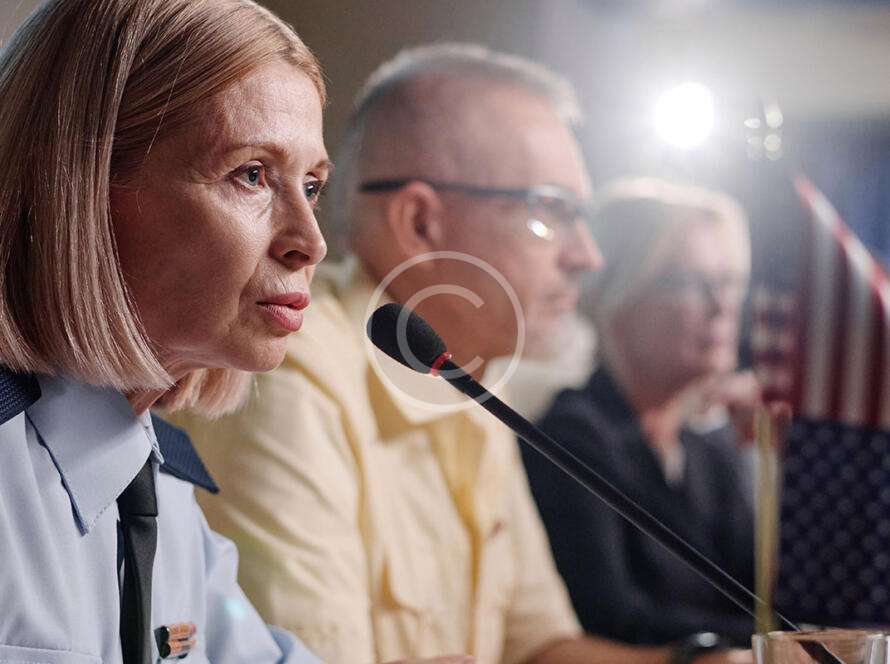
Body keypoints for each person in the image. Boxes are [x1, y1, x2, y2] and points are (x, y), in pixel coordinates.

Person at [173, 45, 751, 664]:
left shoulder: (468, 377)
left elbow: (539, 646)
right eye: (550, 212)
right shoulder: (289, 371)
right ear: (422, 225)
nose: (587, 256)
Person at [0, 1, 338, 663]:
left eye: (312, 185)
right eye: (251, 175)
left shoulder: (160, 489)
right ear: (80, 186)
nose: (311, 241)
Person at [525, 178, 757, 651]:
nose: (721, 307)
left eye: (729, 283)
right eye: (690, 283)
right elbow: (612, 618)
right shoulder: (571, 437)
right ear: (616, 296)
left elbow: (764, 596)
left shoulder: (707, 449)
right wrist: (779, 646)